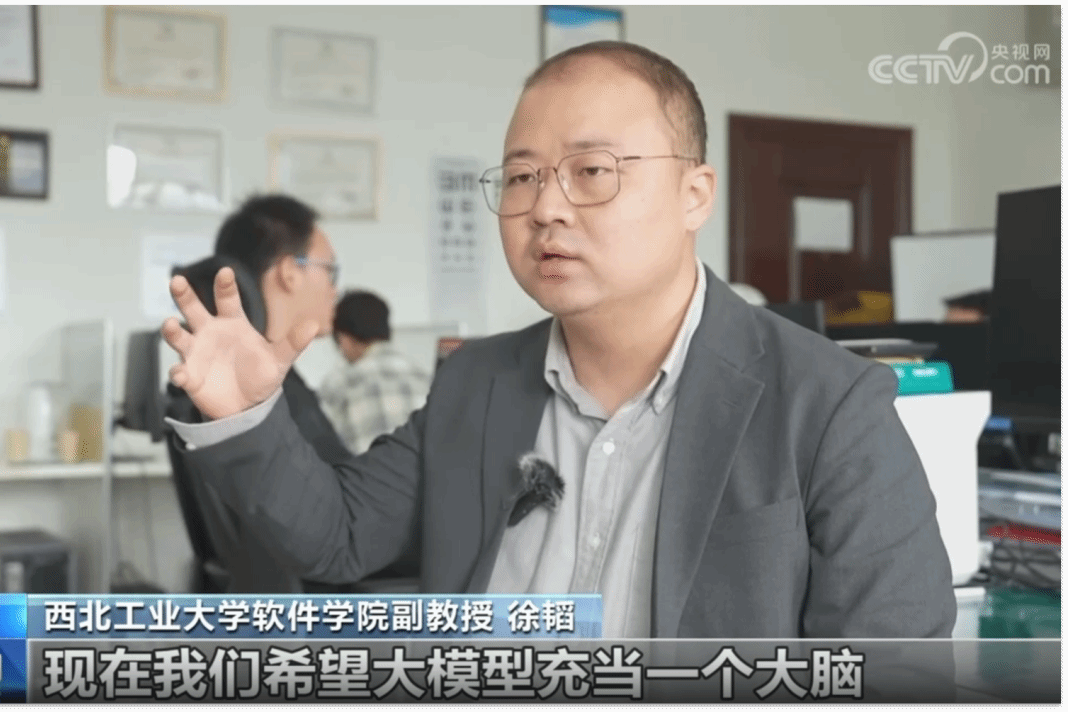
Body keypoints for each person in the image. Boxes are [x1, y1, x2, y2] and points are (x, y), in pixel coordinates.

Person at [161, 41, 955, 639]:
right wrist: (248, 413)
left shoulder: (830, 405)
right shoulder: (476, 382)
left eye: (592, 171)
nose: (545, 208)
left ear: (694, 194)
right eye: (521, 176)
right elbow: (337, 537)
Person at [163, 193, 354, 593]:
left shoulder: (221, 389)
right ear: (289, 272)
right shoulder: (271, 399)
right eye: (330, 271)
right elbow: (355, 519)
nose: (335, 290)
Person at [318, 290, 433, 454]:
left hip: (364, 469)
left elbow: (317, 448)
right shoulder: (425, 378)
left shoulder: (339, 383)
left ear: (343, 339)